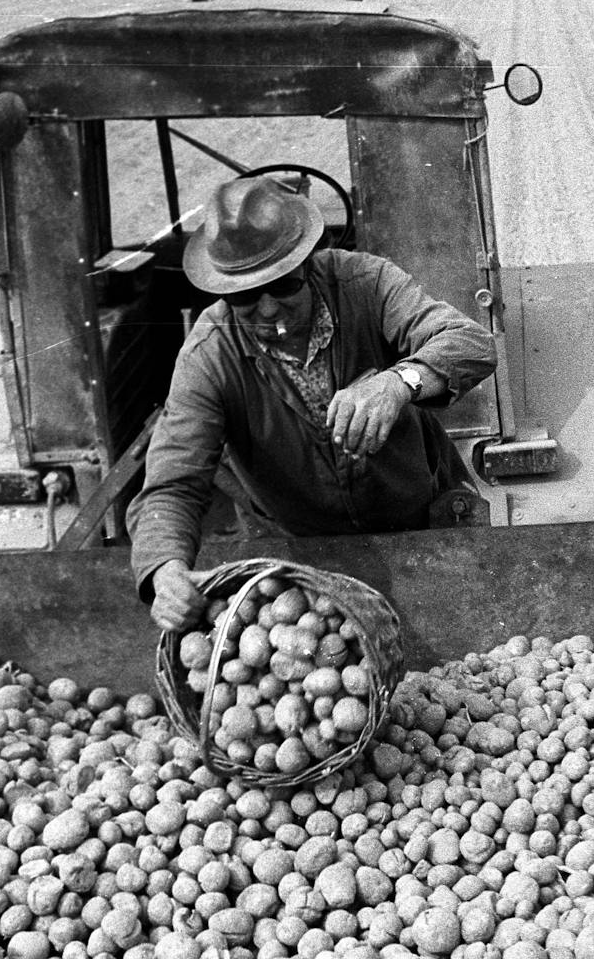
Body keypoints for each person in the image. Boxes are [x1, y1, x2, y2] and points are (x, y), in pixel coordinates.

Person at [130, 173, 497, 631]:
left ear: (307, 262)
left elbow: (469, 342)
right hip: (300, 558)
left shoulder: (366, 282)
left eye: (283, 286)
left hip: (420, 526)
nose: (266, 309)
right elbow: (173, 483)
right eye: (245, 296)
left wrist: (398, 381)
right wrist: (165, 570)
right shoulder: (210, 354)